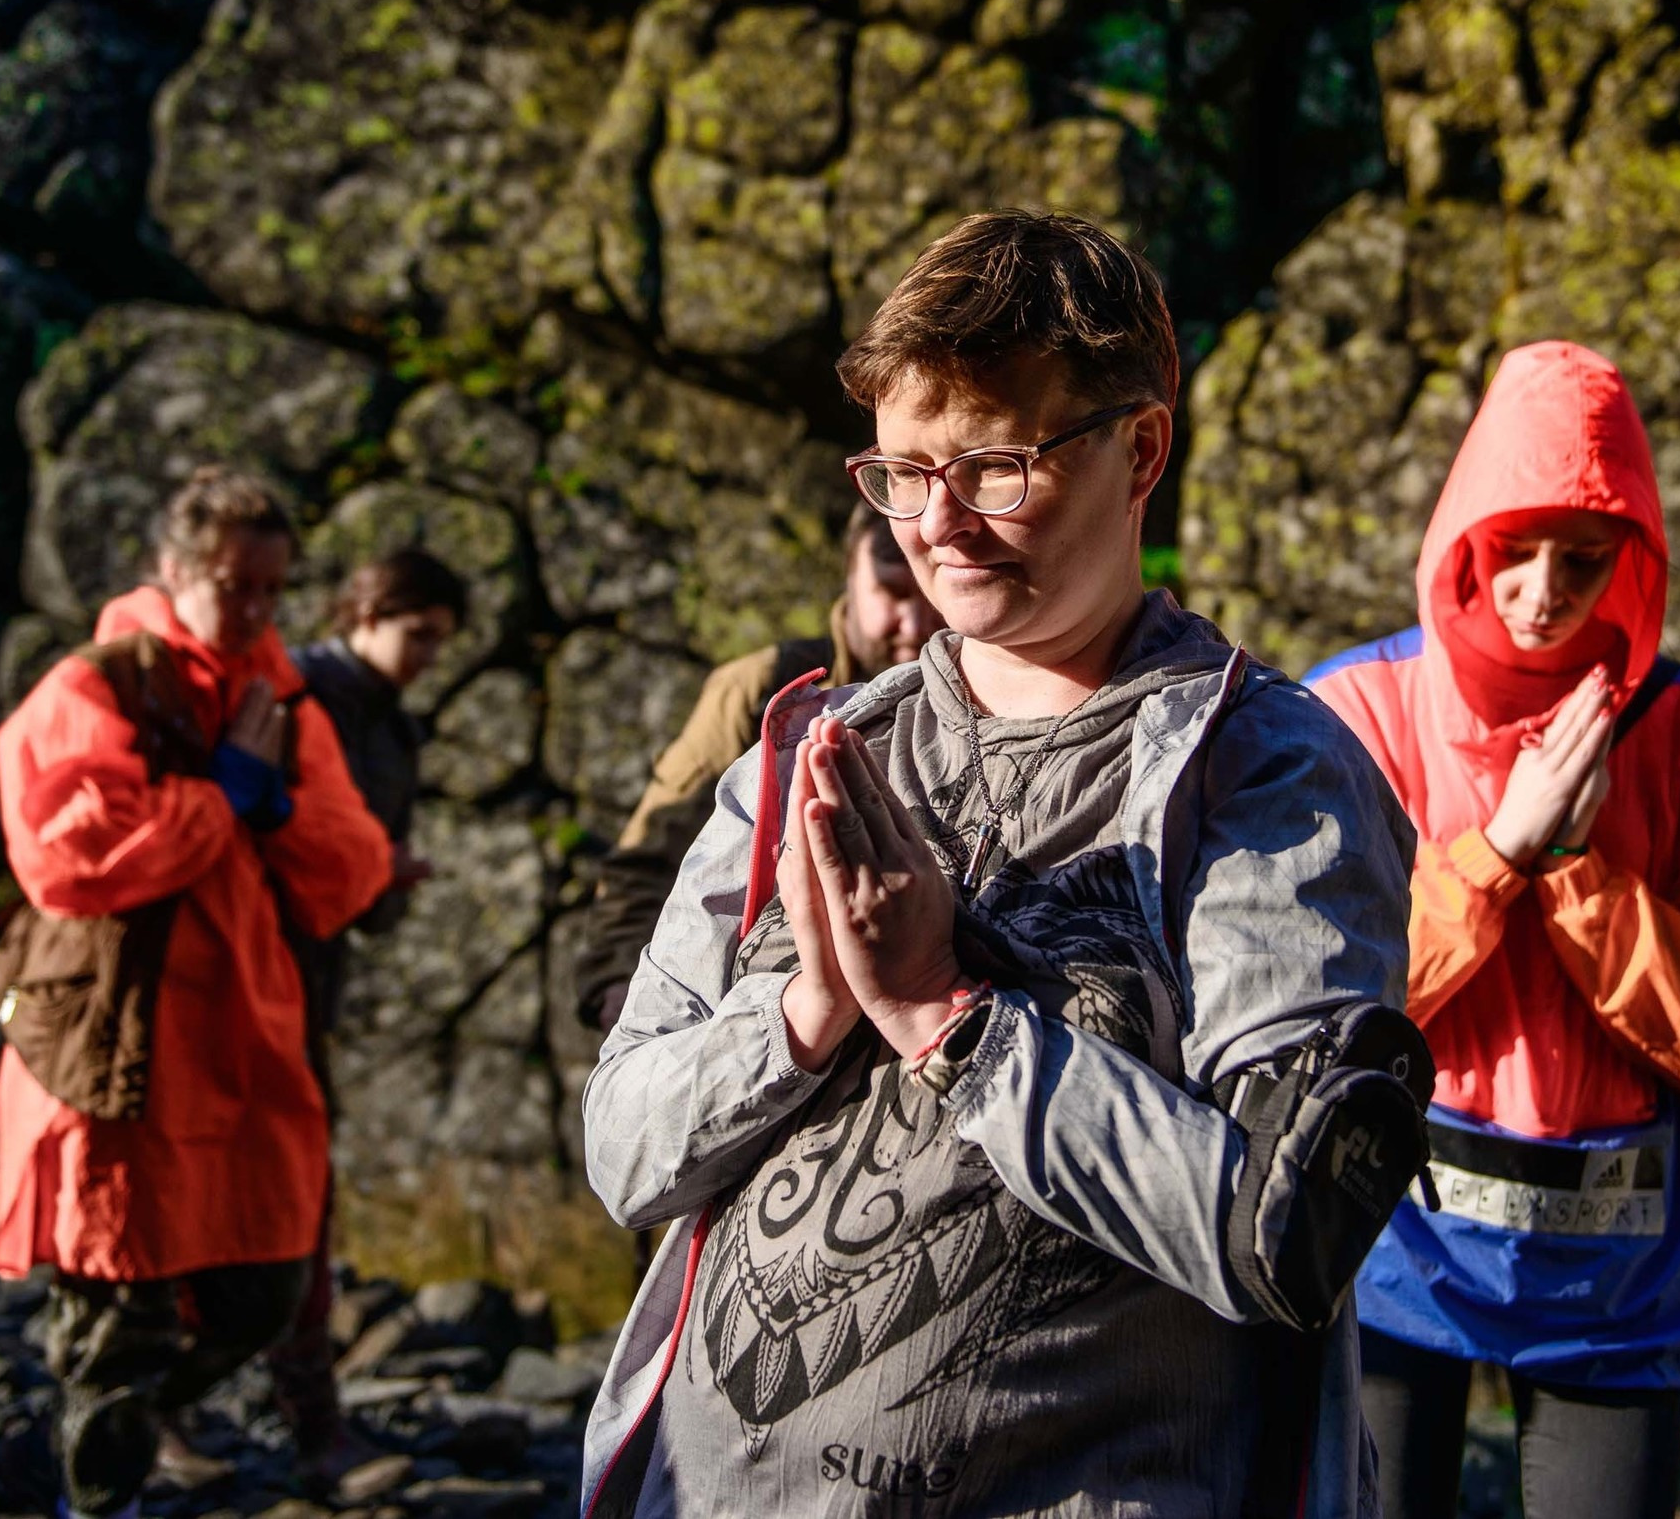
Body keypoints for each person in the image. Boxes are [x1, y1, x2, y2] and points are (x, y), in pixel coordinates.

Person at [579, 211, 1417, 1518]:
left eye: (993, 468)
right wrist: (810, 1007)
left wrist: (947, 1016)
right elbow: (625, 1151)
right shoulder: (810, 751)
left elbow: (1280, 1226)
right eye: (904, 472)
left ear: (1141, 449)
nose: (938, 524)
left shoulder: (1264, 773)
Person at [1303, 341, 1680, 1519]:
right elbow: (1308, 1001)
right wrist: (1496, 854)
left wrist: (1581, 873)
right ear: (1462, 538)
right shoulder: (1357, 711)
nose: (1542, 592)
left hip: (1618, 1285)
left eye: (1583, 559)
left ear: (1631, 555)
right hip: (1389, 1250)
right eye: (1513, 549)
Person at [0, 468, 391, 1519]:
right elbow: (70, 854)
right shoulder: (97, 685)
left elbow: (351, 865)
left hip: (240, 1039)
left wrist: (264, 803)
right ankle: (95, 1479)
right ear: (172, 570)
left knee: (263, 1285)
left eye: (272, 589)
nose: (255, 609)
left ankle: (100, 1447)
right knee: (116, 1303)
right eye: (232, 584)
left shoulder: (276, 701)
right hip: (117, 1042)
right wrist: (225, 797)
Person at [572, 501, 937, 1034]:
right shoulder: (763, 691)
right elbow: (656, 847)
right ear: (849, 575)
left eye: (929, 592)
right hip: (740, 1014)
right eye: (893, 591)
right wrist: (616, 982)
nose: (915, 623)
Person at [266, 546, 466, 1471]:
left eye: (440, 642)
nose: (428, 657)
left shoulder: (393, 729)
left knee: (302, 1188)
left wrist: (383, 880)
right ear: (368, 610)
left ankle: (310, 1419)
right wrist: (372, 873)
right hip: (250, 966)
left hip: (311, 973)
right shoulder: (296, 694)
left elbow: (368, 891)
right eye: (417, 634)